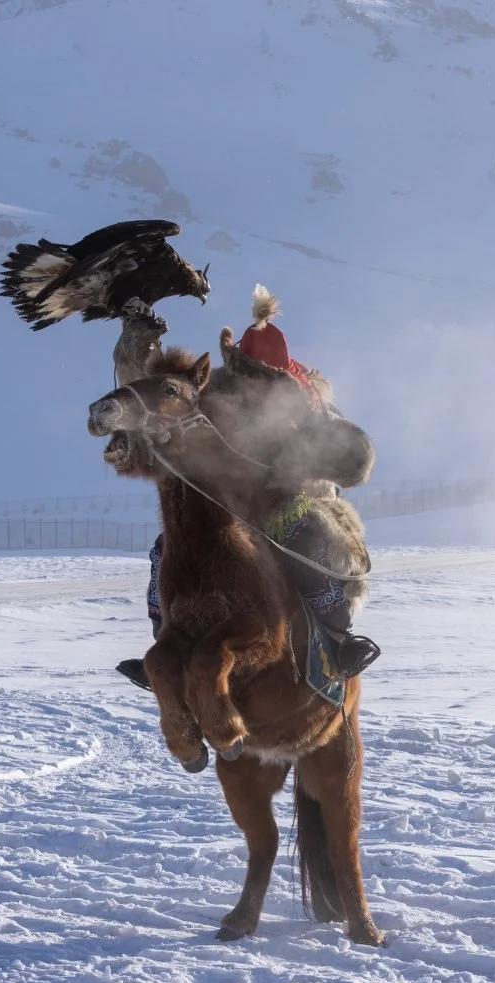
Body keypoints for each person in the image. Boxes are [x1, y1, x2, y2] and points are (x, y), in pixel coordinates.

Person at [114, 287, 380, 691]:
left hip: (289, 500)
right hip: (227, 504)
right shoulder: (212, 397)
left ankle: (340, 641)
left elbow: (353, 456)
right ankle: (164, 645)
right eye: (246, 375)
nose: (252, 389)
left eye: (262, 381)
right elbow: (171, 413)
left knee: (307, 539)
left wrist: (326, 457)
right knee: (164, 550)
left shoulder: (311, 407)